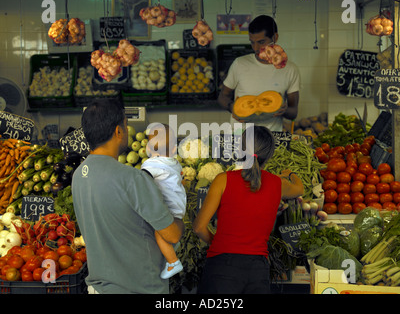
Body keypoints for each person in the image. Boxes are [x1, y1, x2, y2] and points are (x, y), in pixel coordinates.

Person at [71, 100, 184, 294]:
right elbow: (172, 234)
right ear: (118, 132)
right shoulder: (133, 179)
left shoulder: (79, 175)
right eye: (125, 124)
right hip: (138, 288)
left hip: (99, 288)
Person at [193, 125, 304, 294]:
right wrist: (290, 174)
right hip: (257, 271)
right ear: (269, 154)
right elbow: (300, 189)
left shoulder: (223, 180)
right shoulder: (278, 184)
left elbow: (198, 227)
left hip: (222, 266)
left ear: (240, 149)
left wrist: (218, 243)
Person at [218, 15, 301, 132]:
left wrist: (284, 110)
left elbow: (293, 112)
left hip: (271, 139)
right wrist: (232, 107)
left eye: (261, 42)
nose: (256, 48)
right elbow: (222, 96)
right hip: (240, 136)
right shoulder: (239, 64)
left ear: (275, 37)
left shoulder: (290, 69)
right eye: (252, 42)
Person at [141, 123, 186, 279]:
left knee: (159, 232)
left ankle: (173, 262)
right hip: (179, 206)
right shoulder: (174, 162)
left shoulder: (150, 165)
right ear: (174, 150)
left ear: (147, 148)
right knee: (168, 232)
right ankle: (173, 246)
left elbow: (142, 183)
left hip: (168, 208)